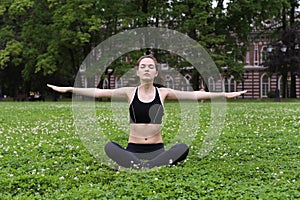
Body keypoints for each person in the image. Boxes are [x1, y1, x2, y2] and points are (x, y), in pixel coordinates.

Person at [47, 55, 246, 170]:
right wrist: (70, 89)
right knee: (109, 147)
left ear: (156, 72)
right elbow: (98, 92)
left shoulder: (164, 93)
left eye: (151, 67)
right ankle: (147, 167)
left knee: (183, 147)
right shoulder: (128, 92)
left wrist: (225, 95)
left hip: (157, 149)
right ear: (137, 72)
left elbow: (195, 95)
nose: (147, 70)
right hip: (132, 149)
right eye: (143, 67)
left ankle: (143, 167)